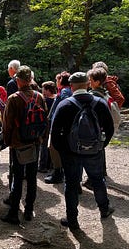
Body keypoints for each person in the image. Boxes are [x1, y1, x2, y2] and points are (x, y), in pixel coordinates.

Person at [50, 72, 115, 230]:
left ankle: (72, 219)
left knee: (71, 184)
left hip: (71, 153)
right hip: (94, 151)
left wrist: (63, 150)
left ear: (71, 86)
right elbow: (110, 128)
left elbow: (54, 132)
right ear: (87, 84)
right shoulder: (99, 103)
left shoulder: (64, 105)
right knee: (98, 180)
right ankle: (104, 209)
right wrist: (100, 145)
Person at [1, 66, 46, 224]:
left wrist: (7, 142)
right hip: (34, 142)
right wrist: (40, 139)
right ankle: (28, 210)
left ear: (19, 81)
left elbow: (7, 124)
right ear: (30, 80)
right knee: (32, 177)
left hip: (18, 143)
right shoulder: (39, 96)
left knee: (17, 178)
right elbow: (44, 120)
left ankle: (13, 212)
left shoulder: (14, 98)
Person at [44, 71, 72, 184]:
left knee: (54, 148)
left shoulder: (65, 92)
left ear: (61, 81)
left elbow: (64, 107)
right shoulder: (66, 91)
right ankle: (59, 172)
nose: (56, 83)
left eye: (57, 80)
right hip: (60, 126)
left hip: (58, 127)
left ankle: (58, 173)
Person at [38, 81, 57, 173]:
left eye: (43, 89)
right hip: (54, 124)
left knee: (44, 145)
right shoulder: (57, 99)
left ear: (48, 90)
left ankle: (42, 166)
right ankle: (51, 164)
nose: (42, 91)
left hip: (46, 124)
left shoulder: (46, 101)